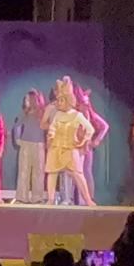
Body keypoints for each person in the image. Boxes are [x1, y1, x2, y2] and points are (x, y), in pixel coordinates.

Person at [44, 76, 96, 206]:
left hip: (70, 148)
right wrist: (51, 135)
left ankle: (88, 199)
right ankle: (50, 200)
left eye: (61, 100)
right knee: (52, 172)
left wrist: (83, 141)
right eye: (58, 100)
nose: (59, 103)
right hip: (56, 147)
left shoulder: (77, 115)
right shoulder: (57, 115)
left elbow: (90, 129)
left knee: (78, 174)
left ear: (68, 100)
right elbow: (52, 128)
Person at [75, 85, 110, 202]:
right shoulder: (73, 112)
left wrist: (97, 140)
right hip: (75, 144)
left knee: (85, 171)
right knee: (78, 172)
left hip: (85, 145)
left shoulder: (87, 112)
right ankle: (79, 198)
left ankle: (89, 198)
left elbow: (104, 126)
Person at [13, 89, 48, 203]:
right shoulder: (25, 113)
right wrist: (17, 138)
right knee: (23, 170)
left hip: (39, 144)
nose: (31, 100)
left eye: (33, 98)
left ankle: (37, 197)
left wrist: (48, 141)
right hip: (26, 144)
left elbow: (48, 127)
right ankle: (22, 196)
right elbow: (17, 125)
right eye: (29, 98)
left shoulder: (43, 113)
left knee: (39, 171)